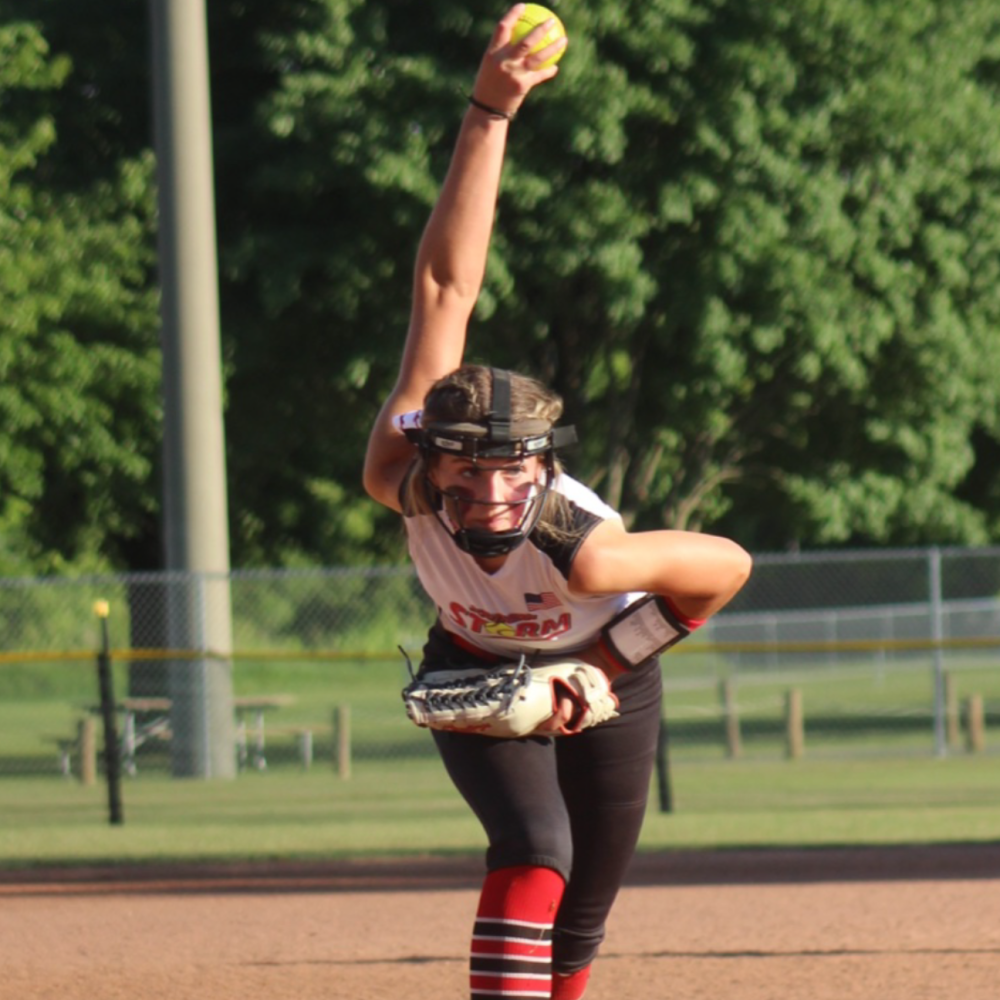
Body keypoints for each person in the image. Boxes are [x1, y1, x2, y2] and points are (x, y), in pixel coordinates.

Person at [362, 7, 752, 999]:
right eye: (466, 468)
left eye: (513, 469)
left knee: (581, 920)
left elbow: (725, 569)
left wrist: (601, 662)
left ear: (542, 466)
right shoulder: (398, 473)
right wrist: (488, 111)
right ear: (430, 455)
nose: (492, 490)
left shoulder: (585, 546)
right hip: (474, 661)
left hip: (608, 665)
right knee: (536, 847)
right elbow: (444, 287)